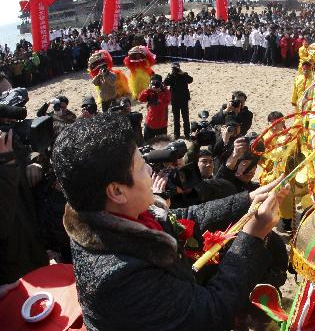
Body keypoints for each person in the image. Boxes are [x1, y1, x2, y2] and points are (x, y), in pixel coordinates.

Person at [51, 113, 289, 331]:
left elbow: (184, 219)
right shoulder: (121, 277)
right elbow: (210, 313)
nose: (152, 172)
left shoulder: (103, 214)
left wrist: (246, 200)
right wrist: (252, 237)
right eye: (142, 166)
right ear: (117, 191)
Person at [0, 128, 49, 288]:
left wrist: (35, 163)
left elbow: (30, 153)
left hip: (33, 238)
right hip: (11, 263)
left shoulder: (6, 137)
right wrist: (6, 168)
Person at [163, 62, 193, 139]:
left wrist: (183, 74)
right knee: (176, 118)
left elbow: (190, 80)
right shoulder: (171, 76)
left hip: (184, 99)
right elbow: (165, 83)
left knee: (185, 118)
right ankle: (177, 134)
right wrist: (169, 75)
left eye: (176, 68)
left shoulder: (184, 75)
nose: (175, 70)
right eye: (173, 68)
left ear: (179, 68)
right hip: (174, 100)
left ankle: (187, 133)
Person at [138, 74, 171, 142]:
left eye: (157, 83)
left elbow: (166, 102)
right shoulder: (149, 91)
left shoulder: (165, 91)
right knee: (148, 144)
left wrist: (159, 92)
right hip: (150, 123)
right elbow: (140, 99)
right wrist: (148, 90)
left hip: (162, 124)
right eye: (153, 82)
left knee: (162, 145)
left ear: (161, 83)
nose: (155, 85)